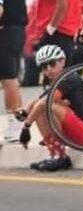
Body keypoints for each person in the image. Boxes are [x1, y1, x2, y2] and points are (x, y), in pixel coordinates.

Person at [16, 45, 83, 172]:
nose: (48, 70)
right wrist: (24, 111)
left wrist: (26, 127)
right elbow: (36, 103)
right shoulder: (59, 80)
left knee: (47, 106)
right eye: (44, 67)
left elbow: (45, 102)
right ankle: (54, 153)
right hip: (78, 131)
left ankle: (60, 156)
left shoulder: (69, 78)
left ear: (62, 61)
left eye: (52, 64)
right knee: (39, 108)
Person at [0, 0, 28, 144]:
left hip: (7, 30)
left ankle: (16, 125)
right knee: (11, 78)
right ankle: (18, 123)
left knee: (8, 78)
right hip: (17, 29)